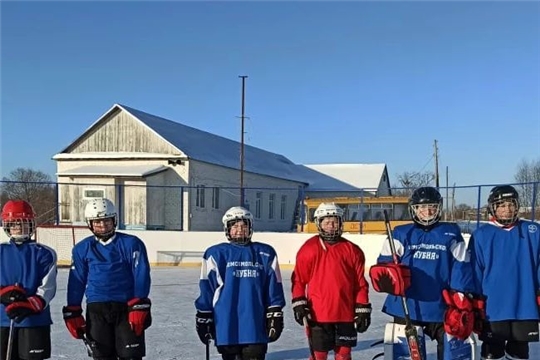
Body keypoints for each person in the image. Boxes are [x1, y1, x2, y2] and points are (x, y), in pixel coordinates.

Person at [369, 186, 478, 360]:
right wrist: (391, 274)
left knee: (452, 349)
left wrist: (461, 292)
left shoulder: (449, 233)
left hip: (442, 305)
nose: (427, 211)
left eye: (432, 207)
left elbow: (461, 265)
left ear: (439, 208)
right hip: (408, 304)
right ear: (414, 209)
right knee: (407, 353)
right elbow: (384, 264)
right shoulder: (401, 233)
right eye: (422, 207)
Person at [63, 198, 152, 360]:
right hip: (97, 309)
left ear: (114, 220)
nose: (103, 225)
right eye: (97, 222)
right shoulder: (82, 248)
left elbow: (141, 274)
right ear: (90, 224)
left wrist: (139, 305)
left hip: (126, 307)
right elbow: (77, 280)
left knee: (131, 355)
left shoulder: (131, 243)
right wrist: (73, 309)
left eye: (106, 221)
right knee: (102, 356)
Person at [195, 206, 286, 360]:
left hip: (255, 322)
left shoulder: (265, 252)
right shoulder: (215, 254)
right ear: (227, 229)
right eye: (235, 226)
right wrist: (204, 313)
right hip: (226, 321)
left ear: (250, 227)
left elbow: (273, 285)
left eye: (244, 226)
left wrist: (275, 311)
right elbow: (207, 287)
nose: (239, 230)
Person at [291, 202, 371, 360]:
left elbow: (360, 283)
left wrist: (362, 307)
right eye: (326, 222)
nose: (331, 225)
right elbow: (299, 280)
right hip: (318, 314)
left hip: (346, 314)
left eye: (335, 221)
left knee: (344, 355)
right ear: (319, 223)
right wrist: (299, 302)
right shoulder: (309, 249)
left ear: (341, 223)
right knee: (318, 355)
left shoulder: (352, 250)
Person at [468, 185, 540, 360]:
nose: (507, 209)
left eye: (511, 204)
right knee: (492, 352)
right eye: (501, 205)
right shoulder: (481, 234)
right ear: (493, 208)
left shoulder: (534, 231)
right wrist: (475, 298)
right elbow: (475, 269)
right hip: (493, 306)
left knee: (520, 352)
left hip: (525, 305)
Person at [0, 200, 57, 360]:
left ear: (31, 224)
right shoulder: (1, 251)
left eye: (23, 223)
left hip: (34, 320)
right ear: (7, 226)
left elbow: (48, 287)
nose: (18, 227)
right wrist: (3, 293)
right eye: (14, 223)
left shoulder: (45, 253)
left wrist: (29, 304)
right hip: (2, 320)